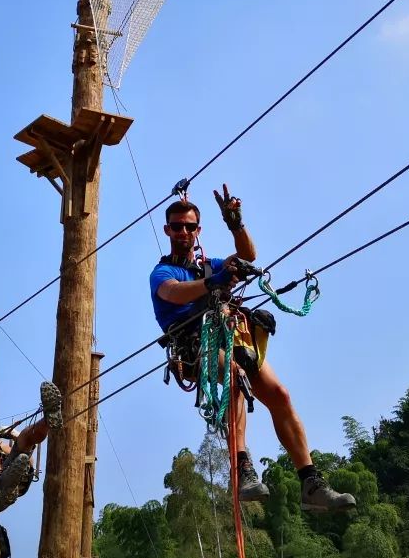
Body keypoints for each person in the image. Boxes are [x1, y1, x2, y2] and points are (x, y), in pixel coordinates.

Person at [149, 184, 356, 512]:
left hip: (233, 338)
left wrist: (236, 225)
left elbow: (247, 256)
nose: (183, 232)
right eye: (177, 227)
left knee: (281, 396)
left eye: (190, 227)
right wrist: (212, 283)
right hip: (196, 347)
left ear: (198, 230)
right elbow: (174, 293)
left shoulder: (209, 264)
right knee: (234, 380)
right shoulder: (163, 272)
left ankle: (311, 483)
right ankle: (243, 468)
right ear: (168, 230)